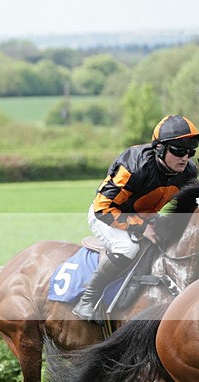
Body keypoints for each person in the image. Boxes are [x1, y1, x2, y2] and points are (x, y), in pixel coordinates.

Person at [72, 114, 199, 322]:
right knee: (128, 248)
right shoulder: (134, 166)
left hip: (145, 217)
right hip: (108, 215)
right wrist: (140, 227)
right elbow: (102, 208)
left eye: (190, 150)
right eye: (178, 150)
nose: (185, 157)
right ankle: (87, 300)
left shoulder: (187, 171)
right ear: (160, 148)